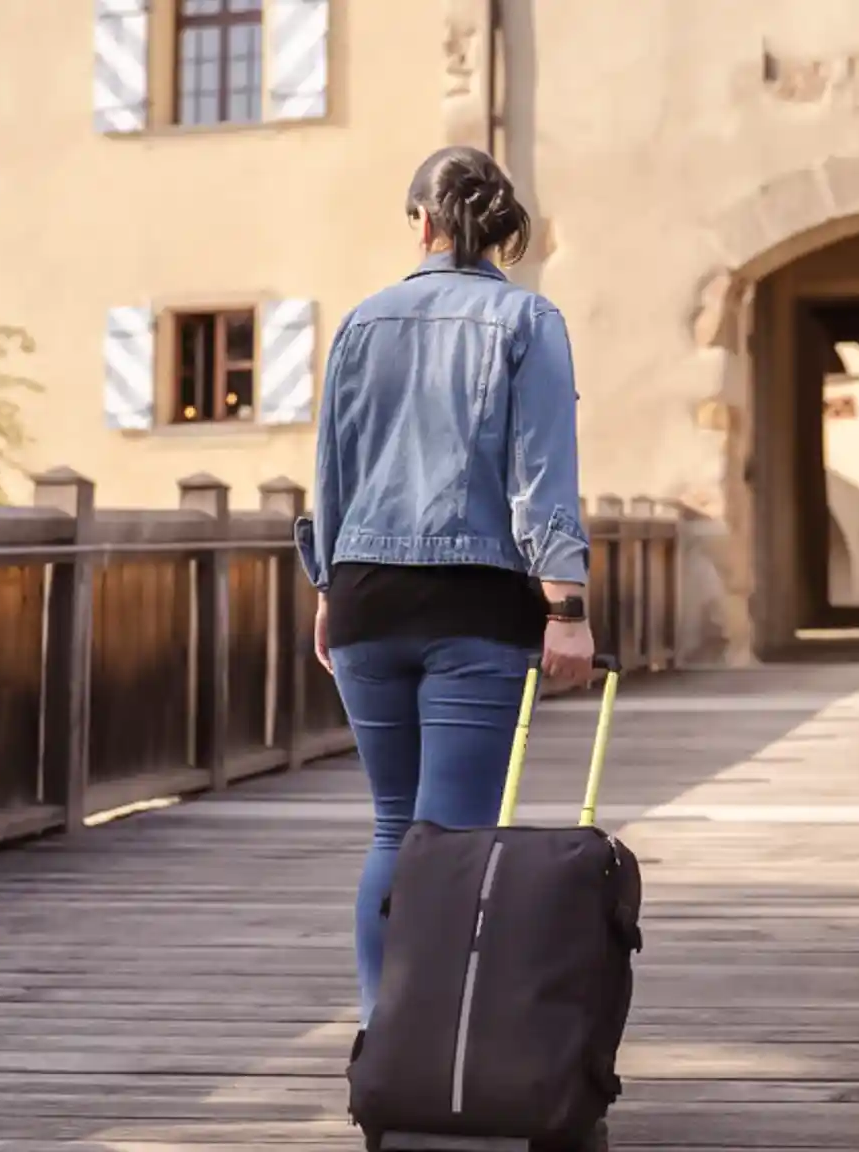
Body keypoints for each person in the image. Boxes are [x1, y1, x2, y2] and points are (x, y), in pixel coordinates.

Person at [294, 145, 596, 1030]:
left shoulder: (360, 322)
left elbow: (333, 473)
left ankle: (384, 1041)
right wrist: (566, 608)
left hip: (364, 599)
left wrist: (327, 587)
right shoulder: (530, 322)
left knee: (395, 831)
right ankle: (439, 1053)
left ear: (422, 221)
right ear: (499, 229)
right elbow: (541, 476)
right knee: (453, 842)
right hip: (476, 604)